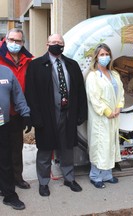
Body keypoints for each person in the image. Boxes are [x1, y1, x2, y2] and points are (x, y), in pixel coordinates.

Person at [25, 34, 87, 196]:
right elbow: (30, 94)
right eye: (54, 42)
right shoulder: (36, 65)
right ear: (47, 44)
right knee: (45, 149)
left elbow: (80, 91)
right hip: (46, 115)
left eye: (60, 43)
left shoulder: (72, 65)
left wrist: (81, 113)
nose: (57, 45)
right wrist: (35, 117)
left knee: (67, 148)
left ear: (64, 45)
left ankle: (69, 178)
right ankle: (43, 182)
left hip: (68, 114)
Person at [85, 43, 124, 189]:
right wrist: (107, 112)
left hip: (114, 116)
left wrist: (119, 107)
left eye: (107, 54)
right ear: (96, 57)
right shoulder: (93, 76)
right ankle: (95, 176)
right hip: (101, 117)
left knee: (110, 144)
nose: (105, 57)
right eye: (102, 54)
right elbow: (94, 98)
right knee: (100, 145)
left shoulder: (114, 74)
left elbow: (121, 92)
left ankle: (107, 175)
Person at [0, 28, 33, 189]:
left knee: (16, 147)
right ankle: (4, 181)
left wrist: (26, 112)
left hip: (18, 111)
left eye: (18, 41)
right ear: (6, 40)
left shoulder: (28, 59)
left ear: (23, 43)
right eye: (11, 40)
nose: (14, 43)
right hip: (1, 113)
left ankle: (17, 178)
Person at [0, 65, 32, 210]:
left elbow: (18, 95)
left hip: (2, 123)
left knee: (5, 160)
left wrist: (25, 114)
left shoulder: (6, 72)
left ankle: (9, 195)